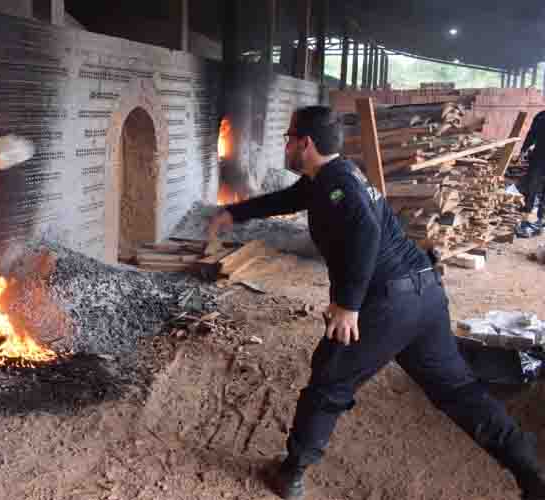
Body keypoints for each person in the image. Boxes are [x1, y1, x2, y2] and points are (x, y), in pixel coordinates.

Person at [207, 106, 545, 500]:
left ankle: (291, 473)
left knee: (329, 383)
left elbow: (366, 234)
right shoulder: (331, 176)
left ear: (306, 144)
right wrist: (233, 213)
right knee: (459, 392)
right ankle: (532, 475)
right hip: (424, 294)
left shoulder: (341, 186)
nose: (285, 145)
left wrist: (348, 305)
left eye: (288, 139)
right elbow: (286, 199)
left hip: (386, 303)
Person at [517, 110, 545, 238]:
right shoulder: (541, 116)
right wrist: (524, 149)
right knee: (532, 190)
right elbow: (531, 135)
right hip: (538, 159)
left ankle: (540, 222)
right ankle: (527, 222)